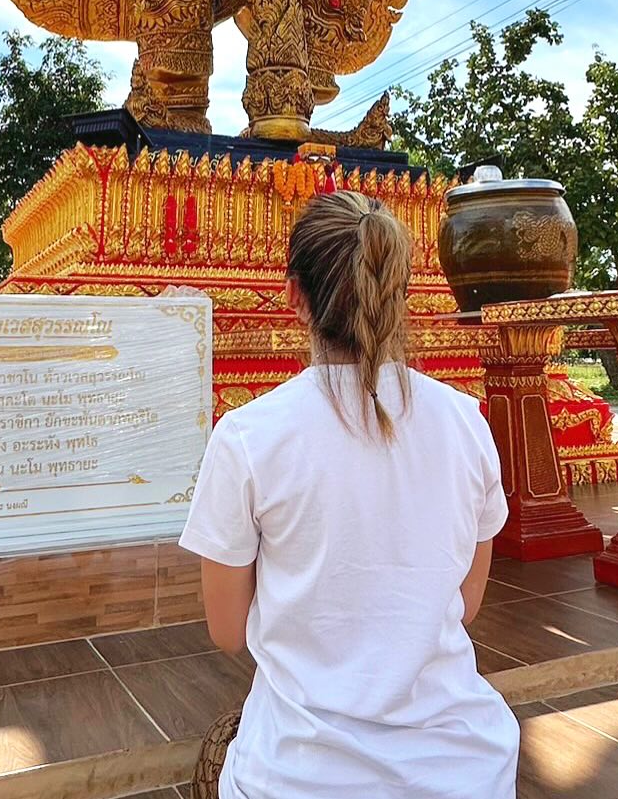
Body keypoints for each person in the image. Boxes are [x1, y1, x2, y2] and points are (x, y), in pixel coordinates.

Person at [179, 190, 520, 798]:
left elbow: (228, 632)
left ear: (294, 297)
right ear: (400, 294)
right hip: (465, 769)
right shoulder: (467, 421)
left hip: (298, 776)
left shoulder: (248, 438)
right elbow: (465, 605)